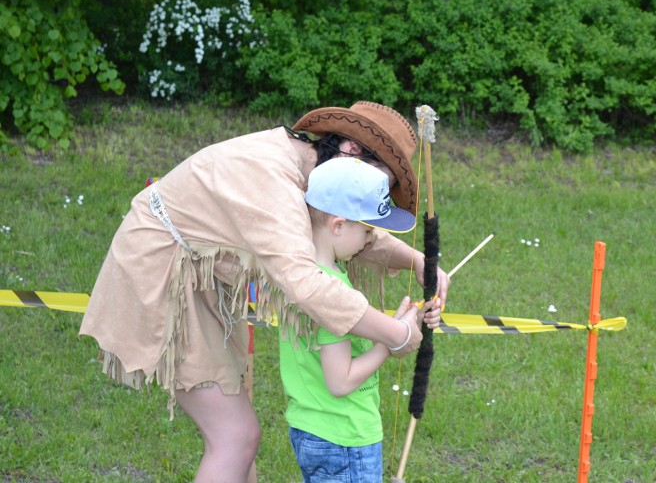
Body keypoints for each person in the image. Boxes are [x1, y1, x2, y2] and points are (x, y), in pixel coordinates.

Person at [79, 101, 450, 483]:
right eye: (379, 185)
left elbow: (341, 225)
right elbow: (305, 280)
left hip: (198, 275)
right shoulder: (272, 174)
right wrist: (396, 335)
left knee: (238, 439)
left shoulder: (311, 174)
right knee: (235, 437)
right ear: (353, 152)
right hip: (161, 269)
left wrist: (415, 259)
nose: (374, 204)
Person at [281, 157, 418, 483]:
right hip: (345, 435)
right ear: (338, 225)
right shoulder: (332, 290)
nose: (371, 239)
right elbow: (340, 380)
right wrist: (390, 342)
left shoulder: (300, 272)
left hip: (311, 428)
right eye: (368, 230)